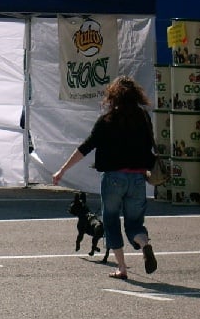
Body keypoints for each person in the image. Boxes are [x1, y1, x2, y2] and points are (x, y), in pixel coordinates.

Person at [53, 75, 158, 280]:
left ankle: (122, 268)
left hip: (113, 178)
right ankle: (144, 244)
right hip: (137, 178)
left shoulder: (107, 120)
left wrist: (62, 170)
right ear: (136, 95)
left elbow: (86, 147)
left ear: (113, 96)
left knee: (110, 222)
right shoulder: (143, 117)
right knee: (134, 223)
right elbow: (150, 144)